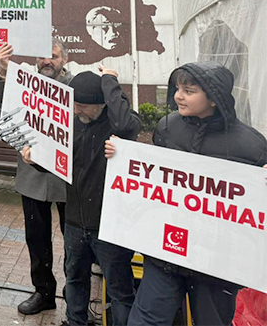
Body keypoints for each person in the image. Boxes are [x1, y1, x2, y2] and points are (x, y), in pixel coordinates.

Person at [109, 62, 267, 326]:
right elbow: (155, 176)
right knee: (145, 320)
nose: (178, 96)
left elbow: (252, 207)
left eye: (189, 91)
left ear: (214, 98)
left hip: (216, 264)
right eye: (178, 89)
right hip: (165, 253)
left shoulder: (252, 145)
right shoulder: (167, 126)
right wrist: (121, 157)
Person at [22, 67, 140, 326]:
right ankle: (75, 322)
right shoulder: (72, 123)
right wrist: (35, 160)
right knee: (75, 278)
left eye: (83, 106)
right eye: (74, 104)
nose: (76, 110)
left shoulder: (118, 125)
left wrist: (110, 81)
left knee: (120, 289)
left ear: (102, 104)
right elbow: (58, 161)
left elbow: (127, 125)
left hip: (109, 225)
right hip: (75, 221)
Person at [0, 40, 73, 315]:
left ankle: (75, 295)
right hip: (32, 177)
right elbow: (3, 107)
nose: (46, 61)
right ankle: (43, 292)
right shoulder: (24, 84)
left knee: (73, 242)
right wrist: (3, 71)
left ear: (65, 59)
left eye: (53, 56)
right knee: (36, 239)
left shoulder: (76, 87)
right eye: (41, 56)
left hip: (67, 180)